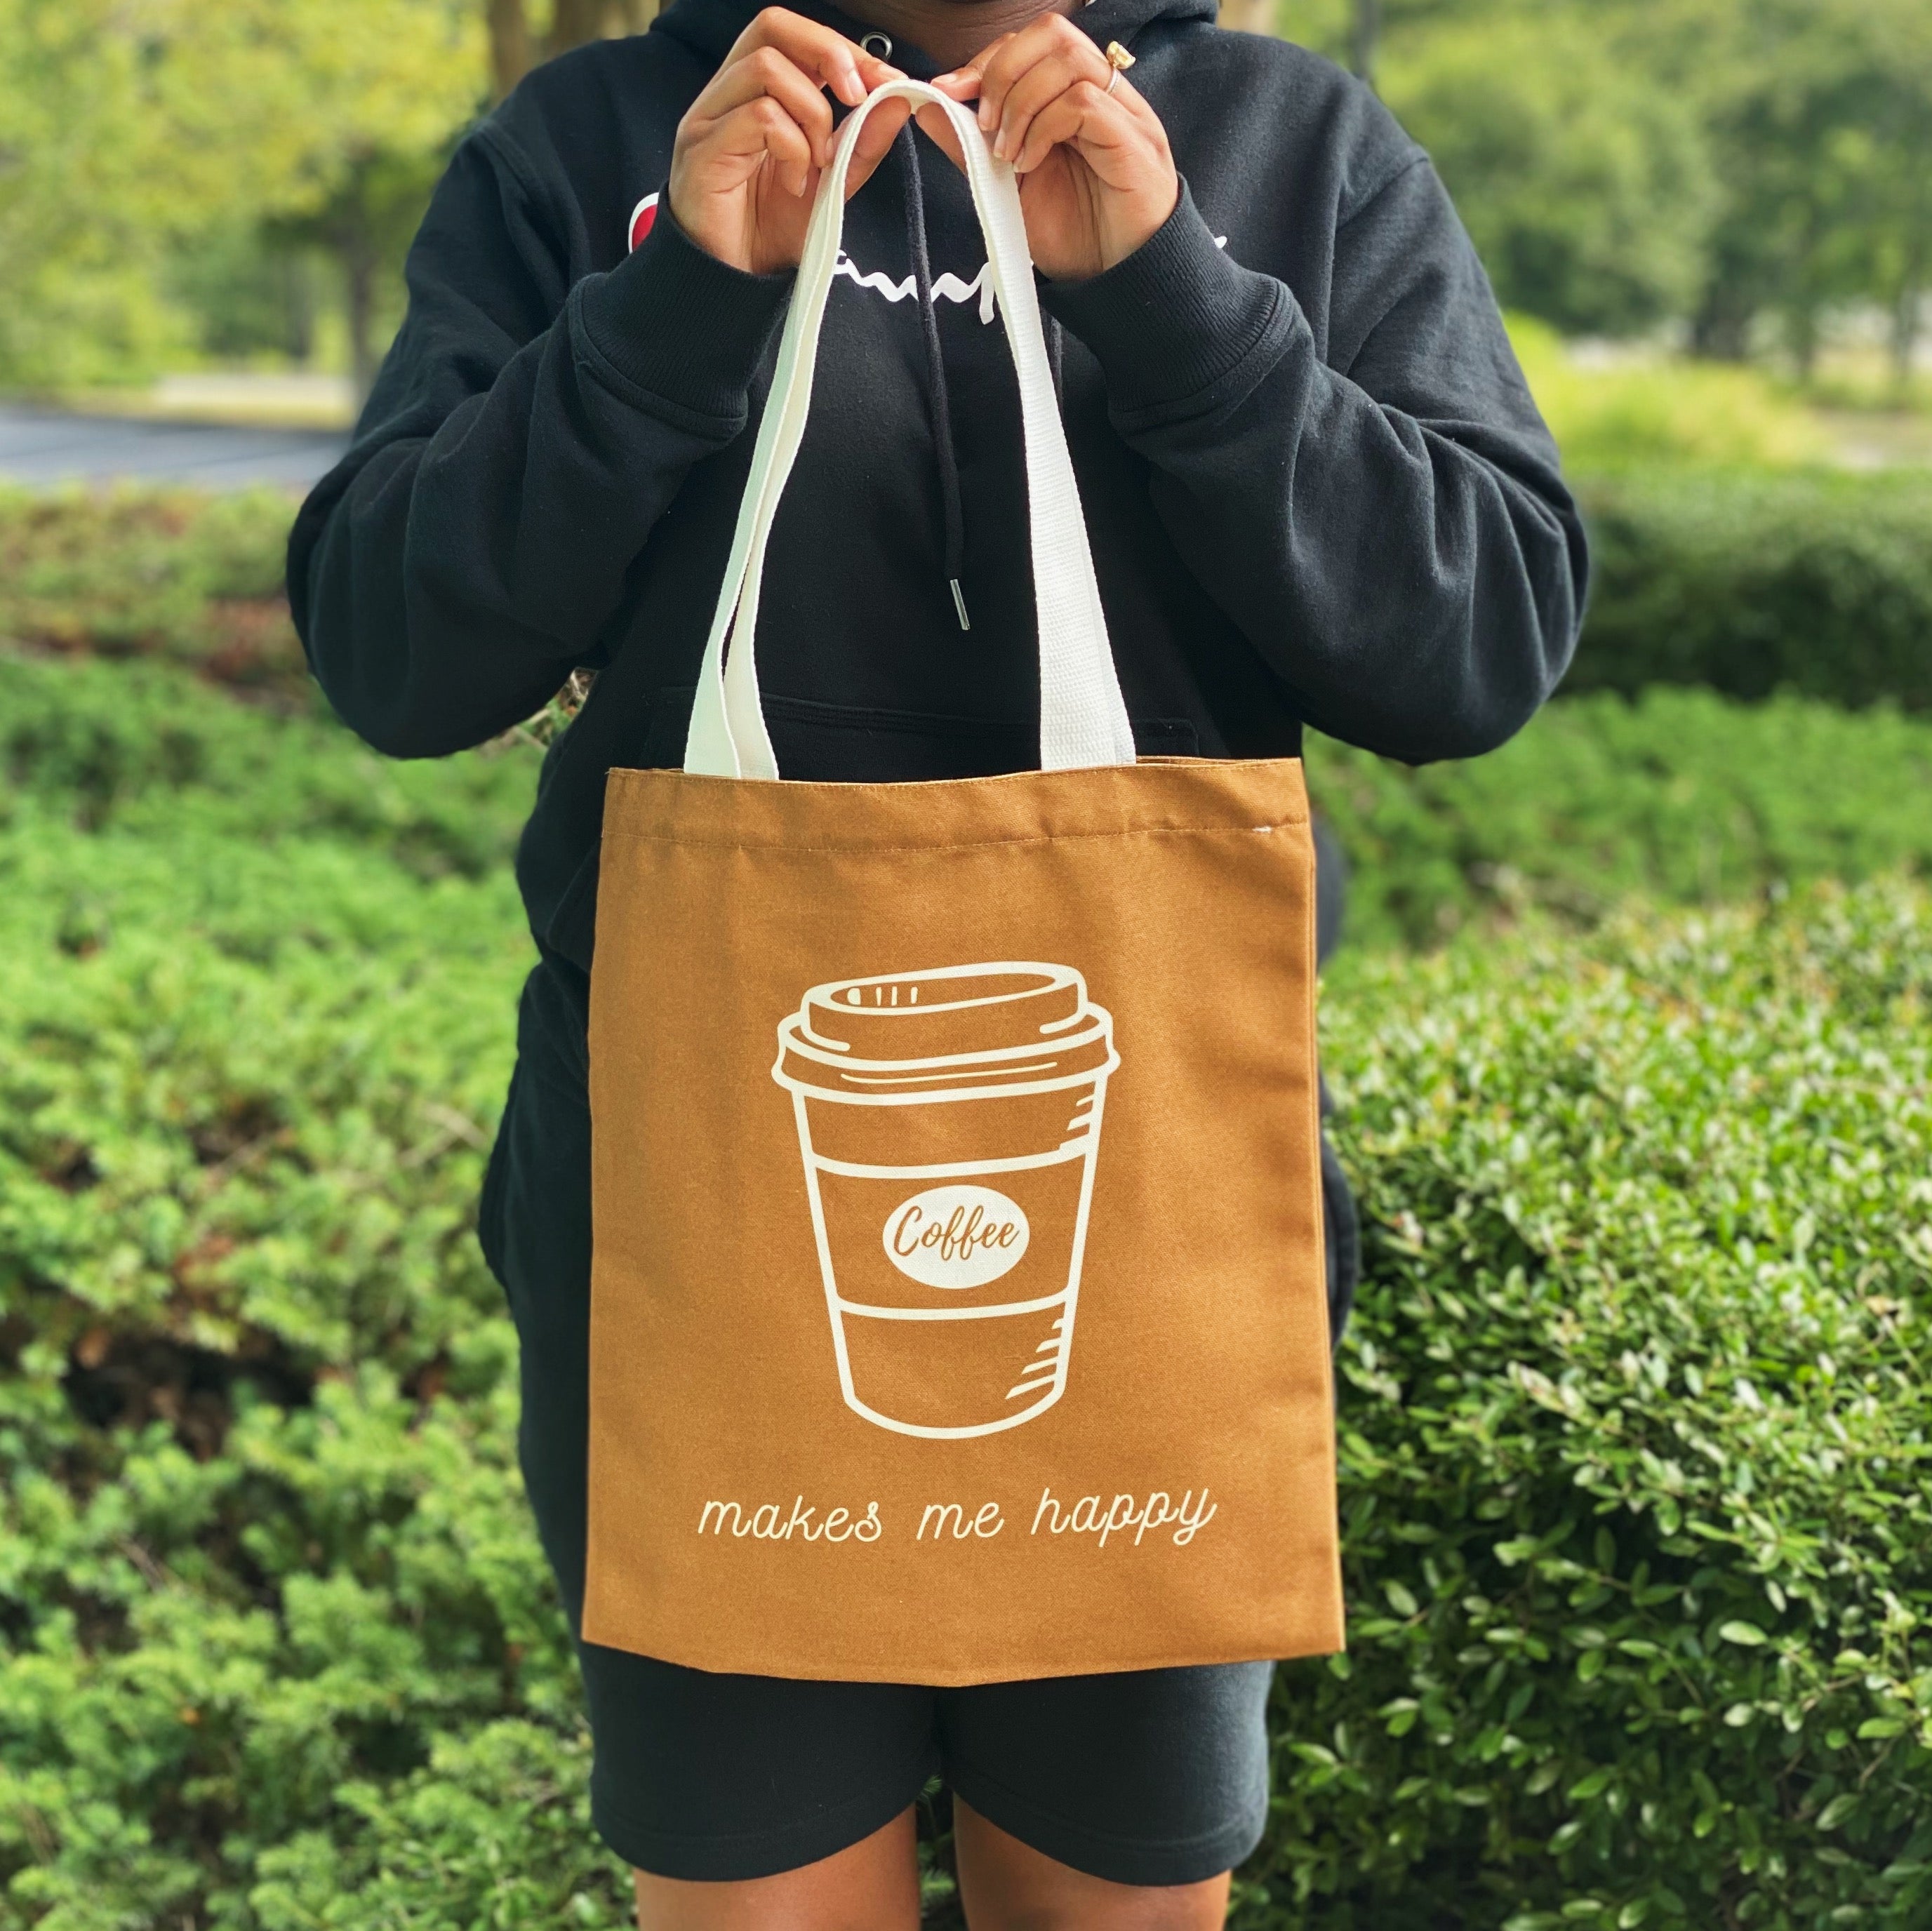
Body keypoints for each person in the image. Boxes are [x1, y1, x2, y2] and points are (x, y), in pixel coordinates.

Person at [289, 0, 1585, 1918]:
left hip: (1146, 1221)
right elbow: (395, 650)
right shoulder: (589, 144)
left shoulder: (1285, 146)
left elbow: (1475, 640)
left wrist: (1177, 302)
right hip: (690, 1209)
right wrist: (665, 311)